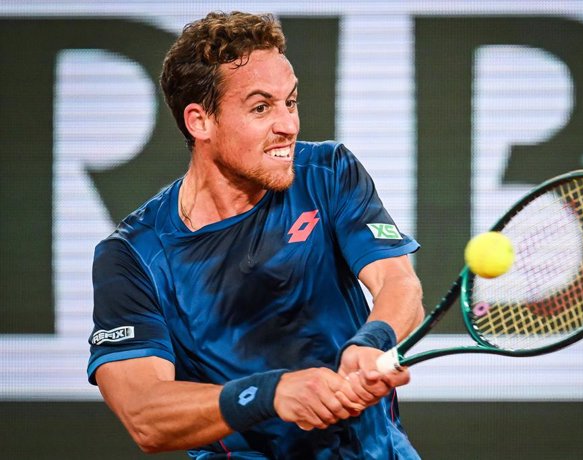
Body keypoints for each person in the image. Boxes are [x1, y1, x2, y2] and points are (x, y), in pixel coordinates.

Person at [87, 11, 424, 459]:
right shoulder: (132, 257)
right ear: (199, 121)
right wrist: (272, 394)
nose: (288, 125)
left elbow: (398, 283)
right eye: (261, 107)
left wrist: (373, 339)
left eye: (291, 101)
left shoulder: (327, 172)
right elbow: (144, 415)